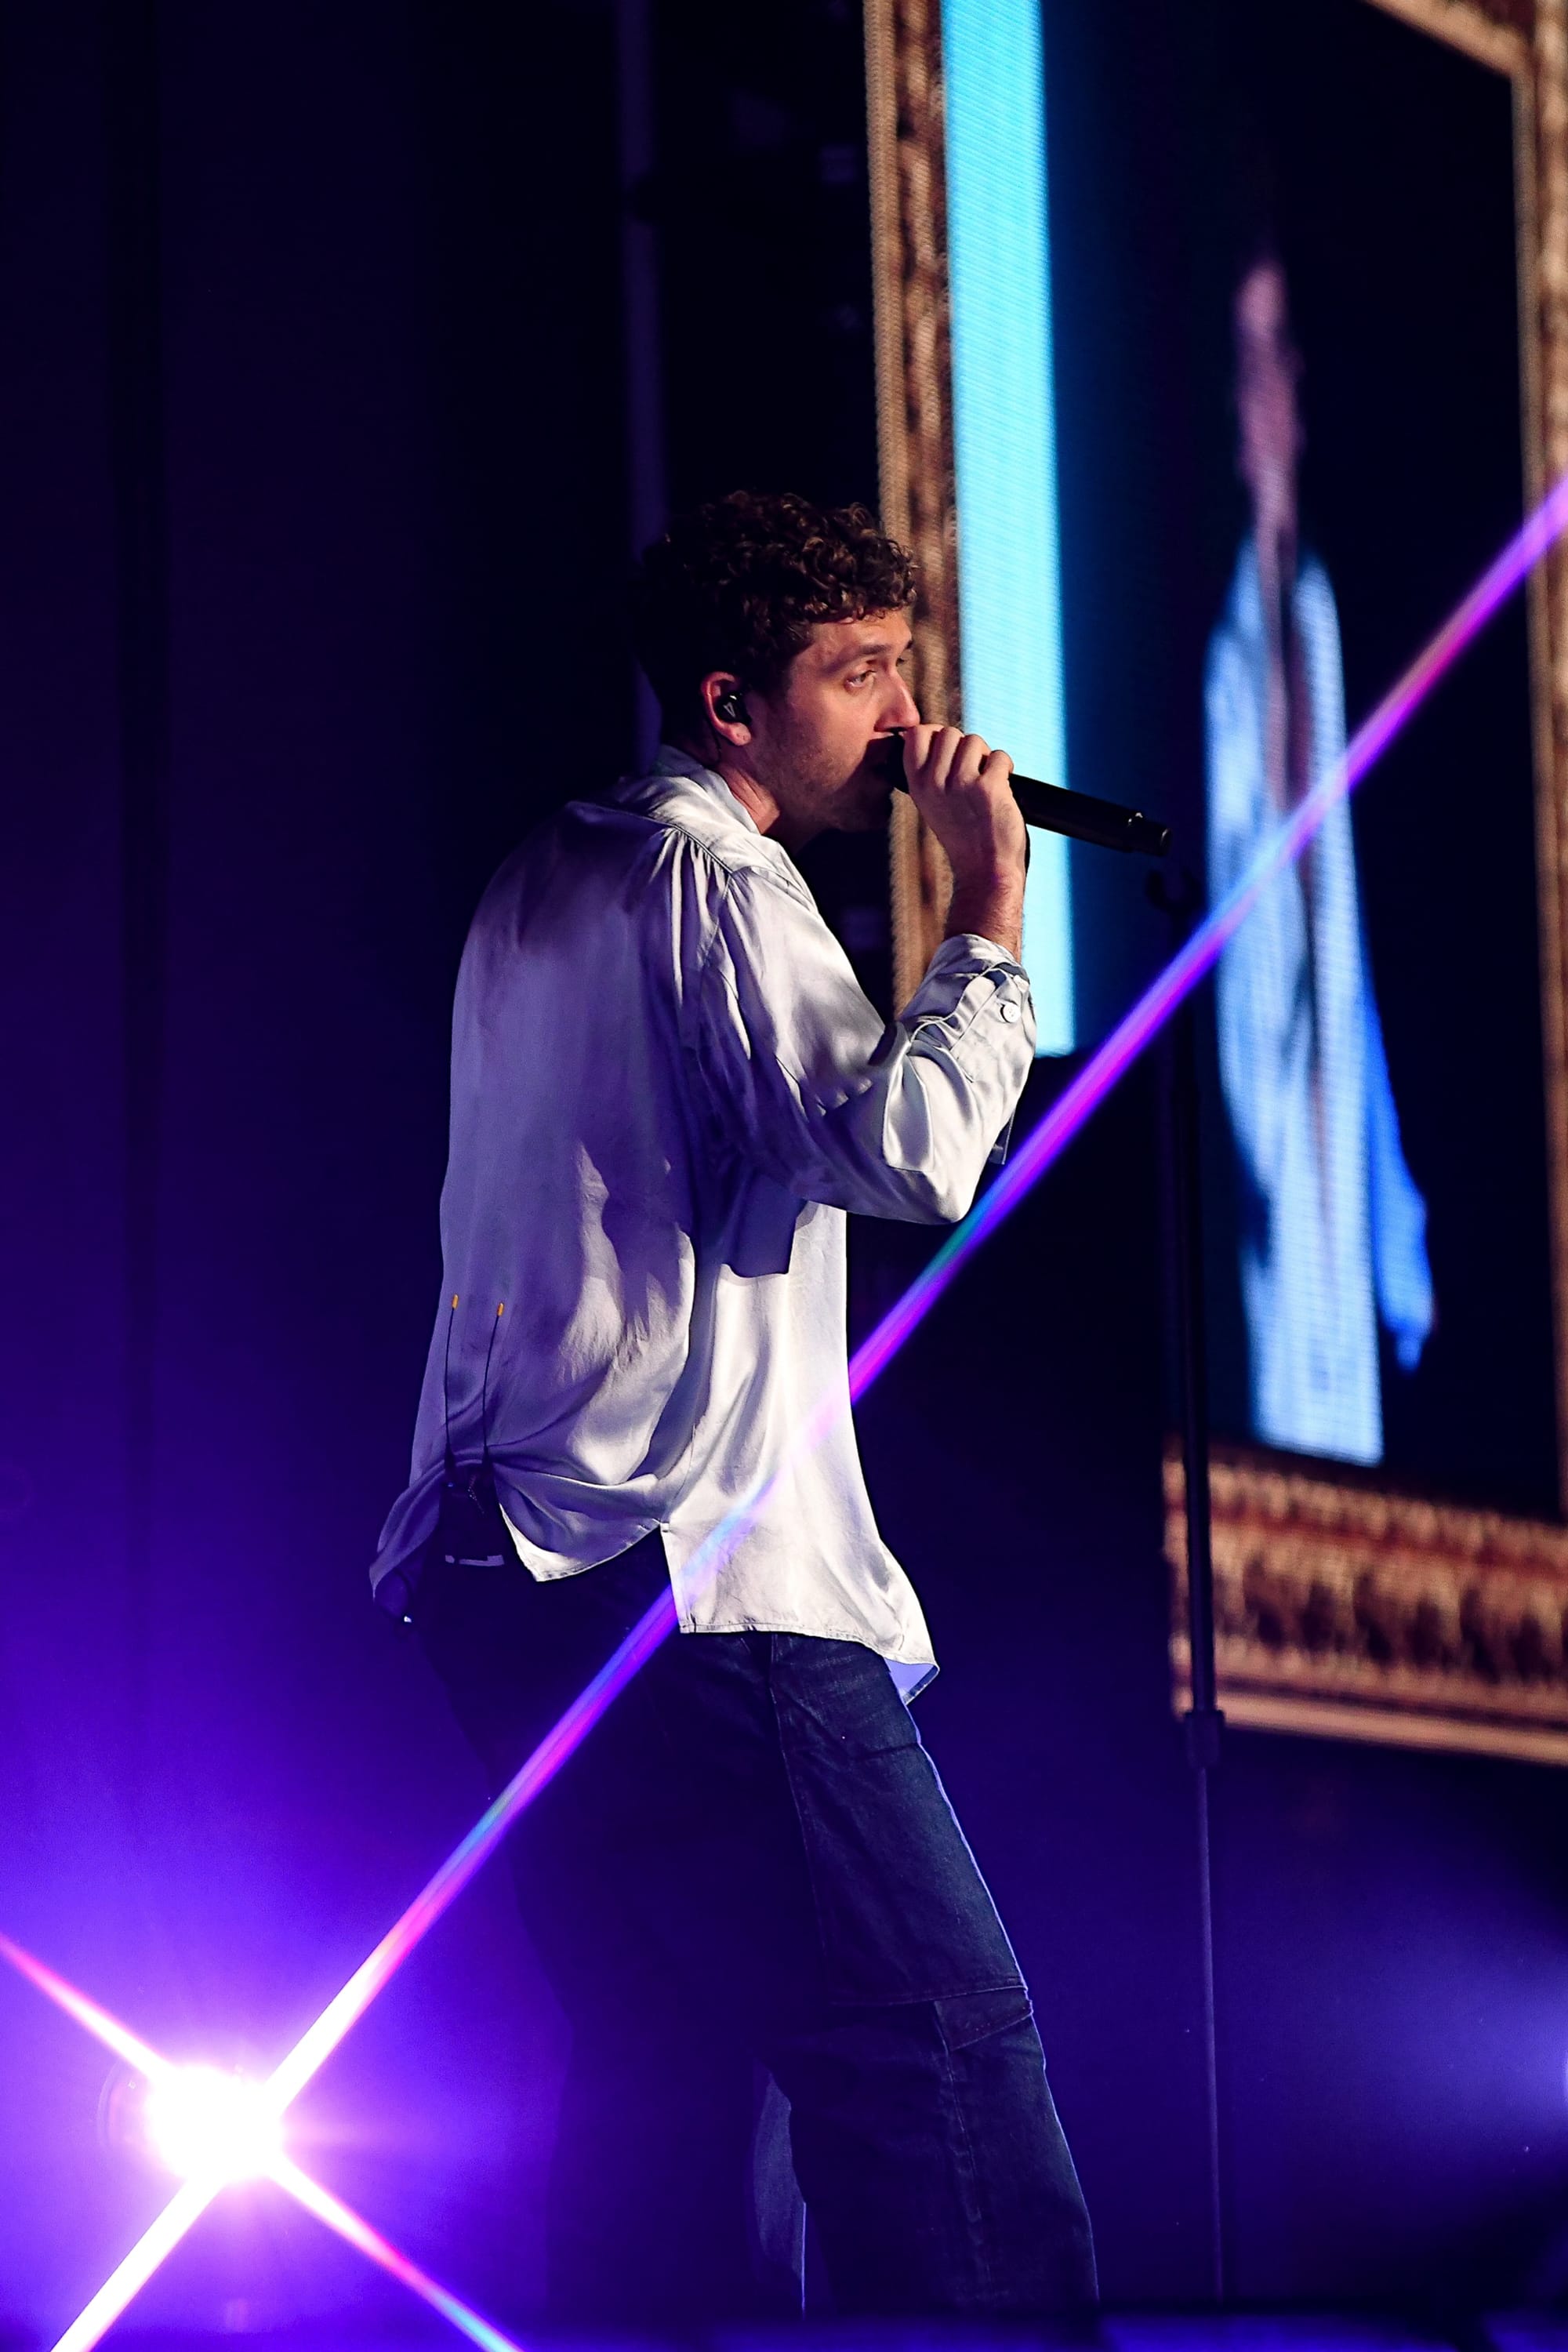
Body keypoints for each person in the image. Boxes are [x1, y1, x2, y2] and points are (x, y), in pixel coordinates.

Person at [372, 491, 1095, 2324]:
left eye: (901, 668)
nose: (904, 718)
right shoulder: (714, 877)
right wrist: (989, 904)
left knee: (670, 2073)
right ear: (731, 704)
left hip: (514, 1570)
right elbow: (910, 1154)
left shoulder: (548, 873)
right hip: (682, 1574)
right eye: (857, 676)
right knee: (936, 2053)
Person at [1205, 255, 1434, 1466]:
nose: (1274, 383)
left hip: (1347, 1119)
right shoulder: (1233, 642)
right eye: (1252, 356)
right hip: (1267, 1141)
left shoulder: (1329, 608)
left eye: (1284, 351)